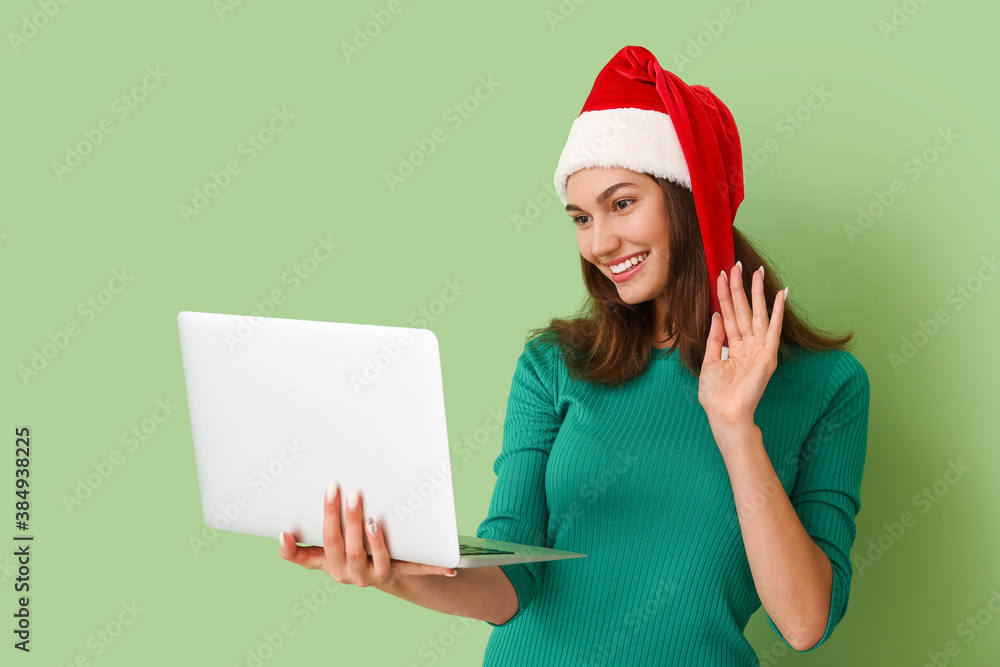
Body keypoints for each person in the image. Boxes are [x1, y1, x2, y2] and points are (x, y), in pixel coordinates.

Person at [278, 45, 870, 666]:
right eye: (580, 217)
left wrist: (734, 427)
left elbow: (805, 623)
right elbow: (511, 578)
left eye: (622, 203)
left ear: (692, 198)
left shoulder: (826, 386)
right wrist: (393, 572)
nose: (600, 242)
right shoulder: (553, 364)